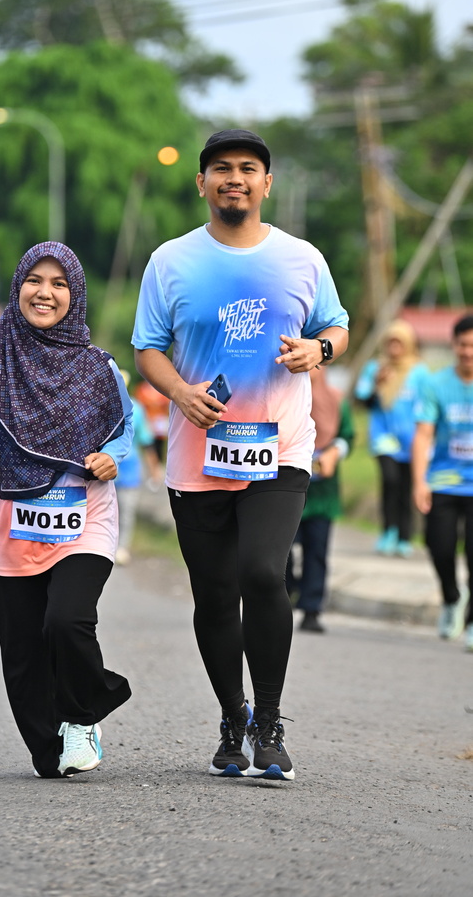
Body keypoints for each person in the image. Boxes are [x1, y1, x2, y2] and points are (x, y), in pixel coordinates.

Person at [132, 128, 349, 780]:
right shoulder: (170, 260)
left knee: (262, 572)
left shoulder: (302, 257)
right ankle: (233, 715)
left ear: (266, 183)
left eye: (248, 168)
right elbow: (148, 348)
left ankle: (270, 723)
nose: (235, 178)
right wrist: (180, 392)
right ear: (202, 183)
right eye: (222, 168)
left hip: (280, 447)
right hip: (198, 453)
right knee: (215, 593)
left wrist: (319, 349)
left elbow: (336, 324)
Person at [0, 241, 133, 778]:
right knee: (23, 662)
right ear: (17, 289)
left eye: (59, 284)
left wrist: (111, 458)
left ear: (76, 295)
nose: (45, 293)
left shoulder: (99, 368)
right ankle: (55, 743)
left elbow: (123, 429)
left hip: (85, 522)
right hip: (16, 532)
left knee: (66, 621)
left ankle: (83, 715)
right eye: (34, 281)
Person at [412, 313, 473, 651]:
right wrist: (419, 481)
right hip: (444, 481)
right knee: (440, 546)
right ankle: (451, 597)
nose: (468, 352)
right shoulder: (436, 384)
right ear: (454, 345)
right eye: (463, 345)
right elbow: (423, 435)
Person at [286, 366, 354, 634]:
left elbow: (347, 435)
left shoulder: (336, 399)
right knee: (281, 552)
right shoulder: (283, 395)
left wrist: (335, 452)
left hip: (322, 494)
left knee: (317, 551)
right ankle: (285, 596)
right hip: (284, 490)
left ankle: (312, 609)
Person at [354, 320, 429, 557]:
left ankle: (404, 537)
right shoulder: (375, 368)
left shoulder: (419, 372)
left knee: (406, 486)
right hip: (383, 438)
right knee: (390, 481)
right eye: (391, 343)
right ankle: (388, 531)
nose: (394, 348)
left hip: (411, 439)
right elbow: (362, 400)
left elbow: (427, 405)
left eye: (399, 343)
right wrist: (377, 384)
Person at [114, 371, 162, 565]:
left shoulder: (137, 410)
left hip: (128, 468)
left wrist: (154, 470)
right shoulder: (100, 406)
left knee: (126, 511)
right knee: (106, 511)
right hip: (102, 470)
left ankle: (121, 548)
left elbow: (147, 441)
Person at [134, 379, 170, 463]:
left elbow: (167, 402)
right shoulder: (142, 389)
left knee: (160, 442)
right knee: (149, 443)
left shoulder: (162, 387)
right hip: (147, 420)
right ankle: (153, 463)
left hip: (160, 420)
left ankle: (160, 461)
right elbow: (139, 403)